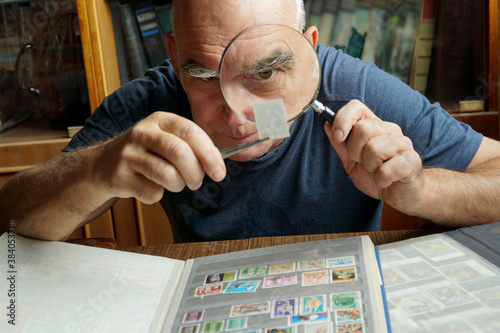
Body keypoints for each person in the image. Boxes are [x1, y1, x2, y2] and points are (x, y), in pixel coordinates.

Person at [1, 0, 499, 242]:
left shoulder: (353, 87)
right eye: (202, 73)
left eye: (264, 72)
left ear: (310, 48)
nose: (239, 114)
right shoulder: (150, 103)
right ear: (174, 59)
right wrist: (95, 170)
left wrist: (420, 192)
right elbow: (9, 220)